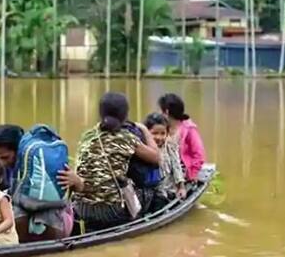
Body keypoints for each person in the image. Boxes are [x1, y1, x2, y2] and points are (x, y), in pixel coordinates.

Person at [58, 92, 160, 232]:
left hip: (82, 209)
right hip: (112, 211)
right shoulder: (126, 138)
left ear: (101, 113)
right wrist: (144, 130)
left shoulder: (87, 135)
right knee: (150, 190)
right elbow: (156, 158)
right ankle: (138, 221)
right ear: (125, 115)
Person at [0, 125, 73, 242]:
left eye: (5, 157)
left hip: (54, 222)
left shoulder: (44, 166)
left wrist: (77, 182)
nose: (1, 163)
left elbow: (77, 192)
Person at [158, 93, 206, 181]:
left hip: (183, 172)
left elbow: (199, 154)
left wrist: (193, 173)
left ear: (166, 112)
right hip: (164, 169)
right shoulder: (161, 127)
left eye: (161, 111)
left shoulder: (189, 129)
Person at [144, 113, 186, 201]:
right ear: (147, 133)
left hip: (168, 189)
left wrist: (181, 187)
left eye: (163, 133)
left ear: (167, 133)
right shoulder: (143, 148)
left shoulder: (170, 146)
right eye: (154, 133)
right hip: (150, 192)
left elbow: (176, 166)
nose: (159, 137)